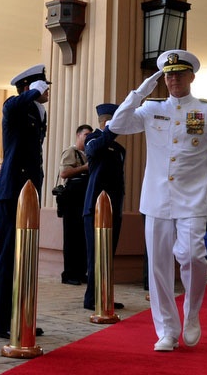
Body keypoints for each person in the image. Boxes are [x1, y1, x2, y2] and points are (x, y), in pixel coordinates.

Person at [108, 50, 207, 352]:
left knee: (192, 255)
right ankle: (167, 329)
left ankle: (191, 315)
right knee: (159, 267)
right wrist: (140, 92)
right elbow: (116, 124)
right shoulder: (151, 109)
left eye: (179, 73)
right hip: (157, 200)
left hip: (193, 200)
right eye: (168, 74)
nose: (173, 78)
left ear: (192, 76)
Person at [0, 63, 49, 340]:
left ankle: (23, 315)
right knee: (8, 258)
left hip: (30, 191)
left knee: (25, 257)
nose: (48, 89)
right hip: (12, 192)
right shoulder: (15, 107)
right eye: (43, 85)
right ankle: (2, 322)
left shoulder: (38, 112)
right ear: (30, 87)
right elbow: (12, 105)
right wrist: (31, 93)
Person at [82, 103, 126, 311]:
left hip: (114, 207)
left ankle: (106, 295)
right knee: (95, 255)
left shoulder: (119, 149)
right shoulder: (92, 140)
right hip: (95, 207)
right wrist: (109, 130)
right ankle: (91, 298)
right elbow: (95, 149)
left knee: (108, 254)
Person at [57, 125, 91, 285]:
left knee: (82, 237)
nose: (88, 137)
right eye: (85, 134)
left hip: (84, 199)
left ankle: (80, 272)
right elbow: (64, 173)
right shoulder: (71, 152)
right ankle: (69, 273)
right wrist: (85, 167)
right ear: (78, 135)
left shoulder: (88, 154)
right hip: (72, 199)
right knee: (71, 237)